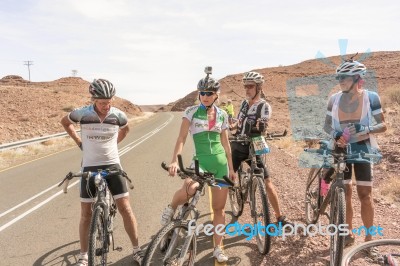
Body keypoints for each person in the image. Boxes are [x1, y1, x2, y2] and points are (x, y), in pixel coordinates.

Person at [60, 79, 143, 266]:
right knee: (86, 214)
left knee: (125, 208)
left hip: (113, 165)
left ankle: (137, 250)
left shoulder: (118, 115)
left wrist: (112, 145)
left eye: (109, 101)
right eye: (102, 102)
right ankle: (83, 256)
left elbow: (126, 129)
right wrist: (78, 142)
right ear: (94, 99)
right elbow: (65, 122)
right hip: (89, 166)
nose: (107, 105)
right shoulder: (83, 113)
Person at [160, 75, 236, 263]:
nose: (205, 96)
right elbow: (182, 139)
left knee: (218, 209)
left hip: (220, 165)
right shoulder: (191, 112)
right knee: (189, 189)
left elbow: (226, 145)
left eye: (209, 93)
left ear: (216, 95)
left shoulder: (222, 115)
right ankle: (171, 208)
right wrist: (175, 161)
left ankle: (218, 248)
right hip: (200, 162)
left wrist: (232, 169)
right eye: (202, 93)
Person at [323, 57, 387, 251]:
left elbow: (383, 125)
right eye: (339, 77)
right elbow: (326, 125)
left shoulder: (371, 97)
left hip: (363, 149)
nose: (341, 80)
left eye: (345, 77)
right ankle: (348, 233)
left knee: (365, 194)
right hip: (340, 149)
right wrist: (335, 134)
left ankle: (369, 239)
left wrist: (366, 128)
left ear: (357, 78)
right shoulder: (333, 99)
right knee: (346, 192)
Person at [230, 71, 292, 225]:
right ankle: (219, 219)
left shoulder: (264, 106)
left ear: (258, 87)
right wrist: (233, 125)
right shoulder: (245, 103)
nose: (247, 89)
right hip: (238, 144)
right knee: (226, 179)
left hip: (254, 146)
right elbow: (239, 120)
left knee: (267, 180)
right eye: (245, 86)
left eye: (250, 86)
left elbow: (264, 121)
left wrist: (261, 126)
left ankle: (279, 218)